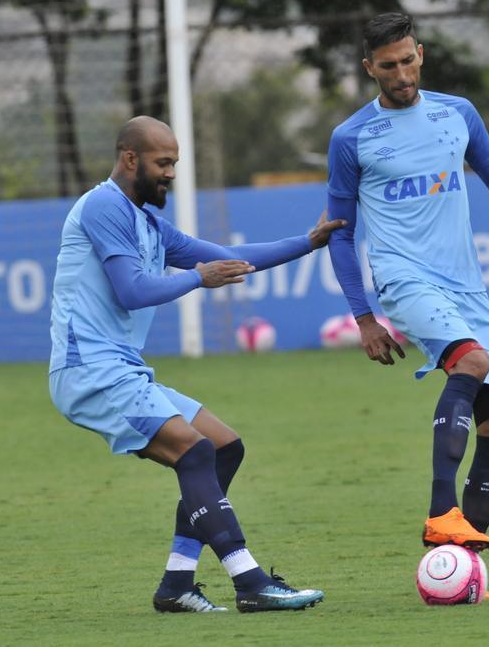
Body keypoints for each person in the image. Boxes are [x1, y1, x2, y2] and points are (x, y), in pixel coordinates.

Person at [49, 116, 340, 614]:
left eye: (175, 164)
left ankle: (177, 584)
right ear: (130, 158)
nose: (171, 174)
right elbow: (133, 290)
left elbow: (229, 257)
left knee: (224, 447)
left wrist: (308, 242)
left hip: (121, 368)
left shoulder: (148, 224)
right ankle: (249, 581)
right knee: (194, 451)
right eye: (164, 163)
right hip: (90, 370)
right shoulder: (102, 206)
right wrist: (197, 278)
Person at [325, 12, 489, 561]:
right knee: (472, 363)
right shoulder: (351, 138)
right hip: (402, 278)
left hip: (465, 287)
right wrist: (364, 318)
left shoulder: (457, 113)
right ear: (370, 69)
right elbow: (340, 237)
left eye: (408, 60)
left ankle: (459, 565)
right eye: (388, 66)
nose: (402, 73)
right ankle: (442, 511)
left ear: (421, 54)